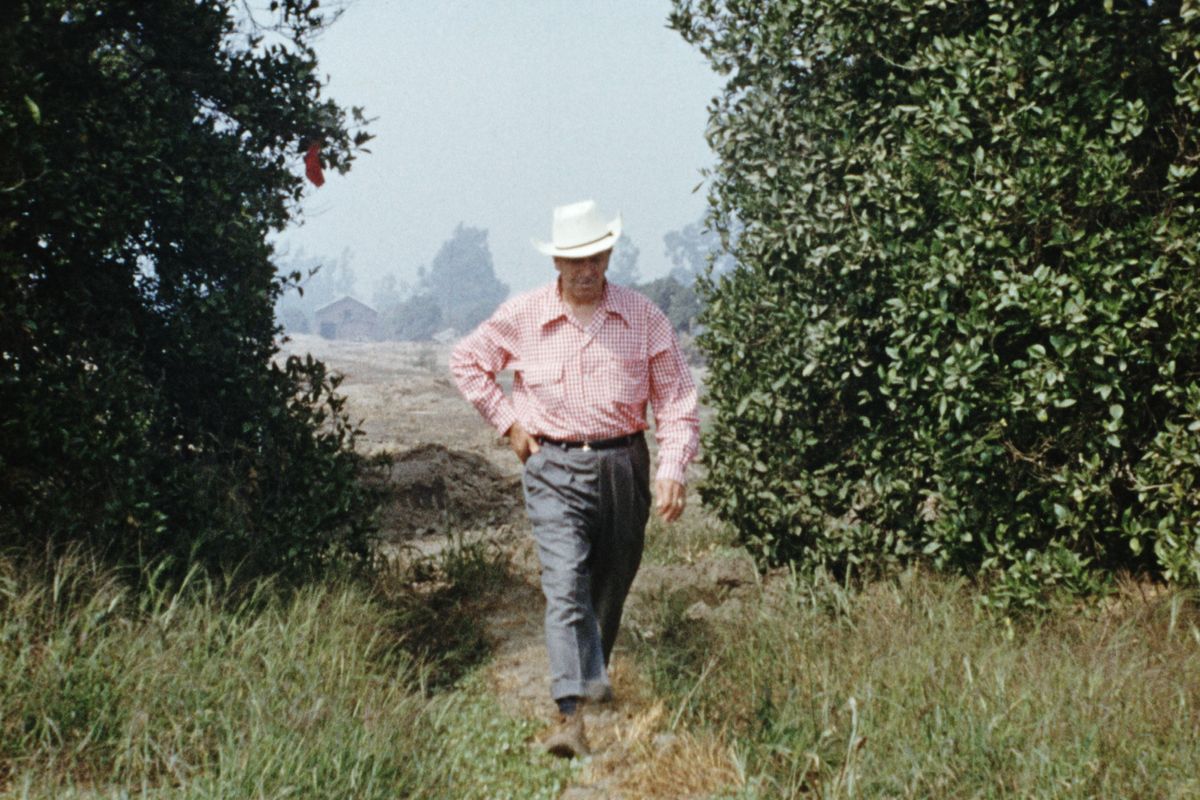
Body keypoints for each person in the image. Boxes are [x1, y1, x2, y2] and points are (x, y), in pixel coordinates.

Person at [449, 199, 700, 758]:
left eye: (595, 257)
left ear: (609, 255)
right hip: (553, 468)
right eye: (574, 259)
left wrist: (671, 467)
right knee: (565, 584)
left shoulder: (645, 318)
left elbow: (678, 399)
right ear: (556, 261)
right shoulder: (523, 315)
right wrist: (509, 423)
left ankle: (591, 685)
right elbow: (466, 360)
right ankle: (572, 712)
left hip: (623, 465)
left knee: (610, 585)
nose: (586, 270)